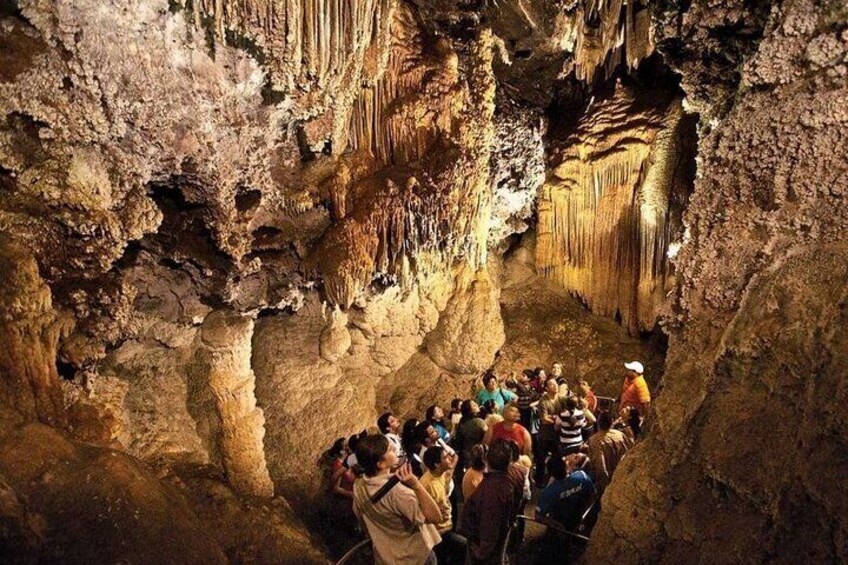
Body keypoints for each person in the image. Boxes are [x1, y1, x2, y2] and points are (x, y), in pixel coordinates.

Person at [352, 435, 442, 565]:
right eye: (389, 449)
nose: (394, 448)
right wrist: (416, 485)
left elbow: (362, 520)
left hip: (387, 556)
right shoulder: (397, 493)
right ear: (380, 463)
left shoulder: (358, 486)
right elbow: (435, 517)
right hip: (414, 557)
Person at [460, 440, 524, 565]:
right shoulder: (518, 472)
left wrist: (481, 551)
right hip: (503, 528)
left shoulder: (492, 492)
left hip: (484, 543)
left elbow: (489, 528)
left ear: (486, 460)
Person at [421, 446, 466, 564]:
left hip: (445, 526)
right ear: (436, 464)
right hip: (439, 531)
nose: (450, 459)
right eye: (446, 457)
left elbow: (449, 471)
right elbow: (434, 514)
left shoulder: (439, 473)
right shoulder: (430, 486)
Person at [536, 453, 596, 532]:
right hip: (578, 518)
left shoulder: (548, 493)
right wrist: (584, 514)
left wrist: (557, 526)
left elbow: (538, 517)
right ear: (566, 467)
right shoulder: (582, 476)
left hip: (558, 525)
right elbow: (593, 494)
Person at [585, 410, 632, 494]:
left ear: (598, 424)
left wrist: (603, 488)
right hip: (622, 476)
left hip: (608, 482)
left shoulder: (595, 440)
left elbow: (601, 467)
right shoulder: (620, 435)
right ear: (611, 422)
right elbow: (630, 450)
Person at [535, 378, 565, 486]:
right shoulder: (543, 401)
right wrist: (558, 421)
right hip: (545, 436)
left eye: (555, 384)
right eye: (551, 385)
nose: (555, 386)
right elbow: (544, 420)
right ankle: (539, 481)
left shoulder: (561, 398)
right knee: (541, 459)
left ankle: (555, 478)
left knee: (558, 458)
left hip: (557, 435)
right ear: (546, 388)